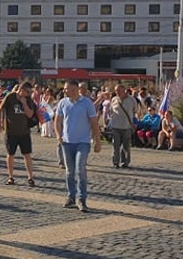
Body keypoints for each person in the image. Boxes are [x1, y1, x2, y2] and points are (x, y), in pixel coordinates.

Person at [53, 79, 102, 212]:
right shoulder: (63, 103)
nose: (64, 90)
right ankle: (71, 197)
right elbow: (57, 121)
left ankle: (81, 198)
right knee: (69, 172)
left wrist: (98, 141)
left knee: (80, 170)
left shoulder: (87, 103)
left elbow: (94, 123)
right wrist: (58, 135)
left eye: (66, 88)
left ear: (74, 89)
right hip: (67, 142)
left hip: (83, 142)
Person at [0, 82, 37, 186]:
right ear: (21, 89)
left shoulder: (28, 100)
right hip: (11, 132)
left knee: (27, 155)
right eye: (27, 92)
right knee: (10, 154)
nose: (29, 94)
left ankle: (30, 177)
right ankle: (11, 177)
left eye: (30, 92)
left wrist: (24, 103)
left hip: (24, 132)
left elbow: (30, 114)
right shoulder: (10, 97)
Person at [107, 85, 137, 167]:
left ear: (124, 91)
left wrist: (134, 123)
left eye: (119, 90)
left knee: (126, 146)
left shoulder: (131, 100)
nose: (117, 92)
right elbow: (111, 111)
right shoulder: (114, 99)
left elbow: (135, 111)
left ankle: (125, 162)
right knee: (115, 145)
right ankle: (115, 162)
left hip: (126, 126)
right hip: (115, 126)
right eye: (116, 91)